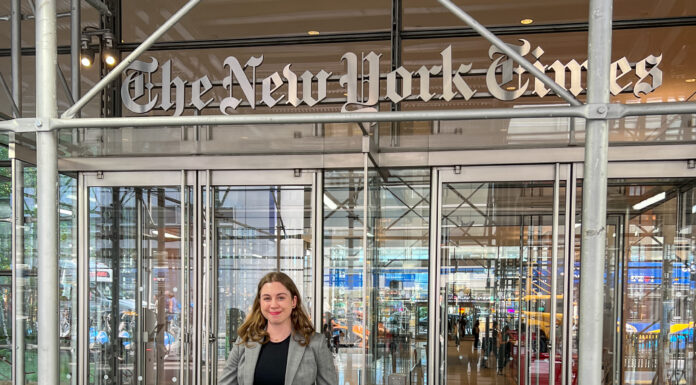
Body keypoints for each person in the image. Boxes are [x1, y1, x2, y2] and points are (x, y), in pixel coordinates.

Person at [218, 272, 338, 385]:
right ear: (260, 302)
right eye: (267, 298)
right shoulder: (244, 341)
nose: (274, 305)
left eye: (281, 298)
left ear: (293, 301)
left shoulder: (316, 343)